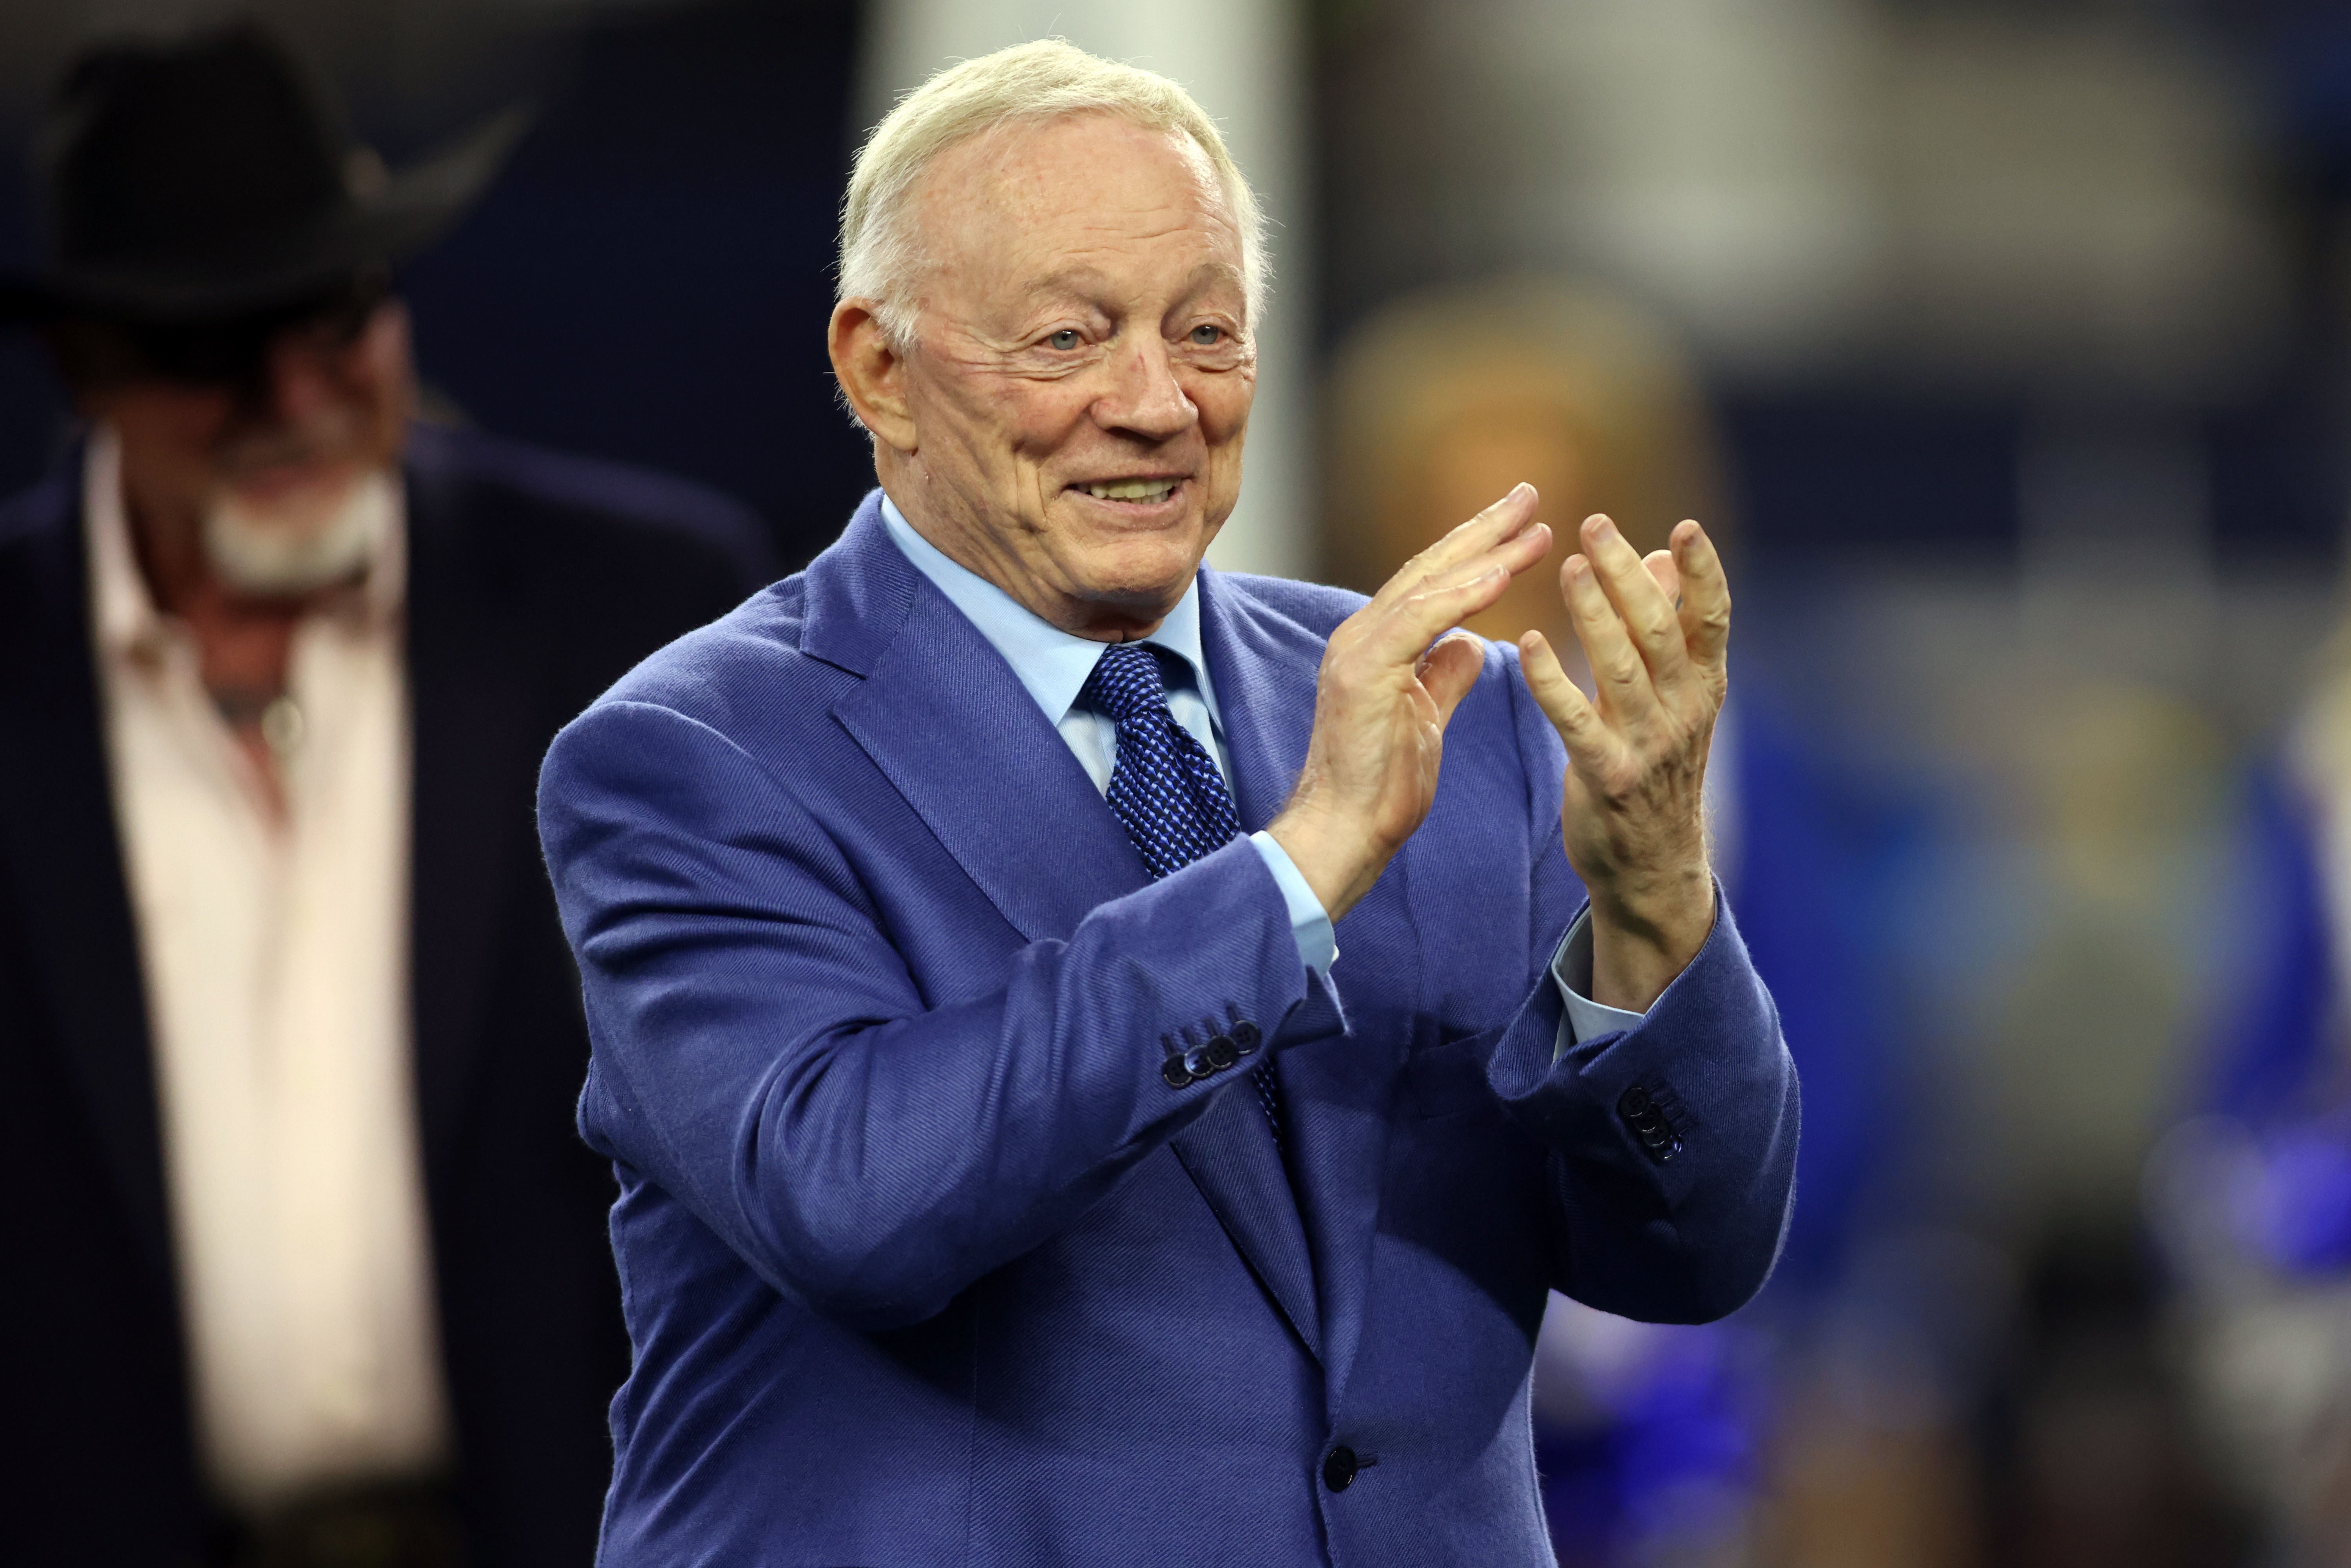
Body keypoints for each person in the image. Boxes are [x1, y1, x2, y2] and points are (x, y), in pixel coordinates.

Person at [536, 41, 1799, 1565]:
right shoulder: (692, 754)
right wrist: (1292, 875)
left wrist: (1657, 912)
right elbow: (855, 1201)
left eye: (1205, 331)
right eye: (1069, 337)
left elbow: (1688, 1257)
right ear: (880, 370)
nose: (1154, 403)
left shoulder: (1460, 717)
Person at [0, 24, 774, 1567]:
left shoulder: (644, 615)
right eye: (215, 346)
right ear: (88, 364)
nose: (294, 393)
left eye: (336, 317)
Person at [1326, 278, 1916, 1566]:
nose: (1503, 583)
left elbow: (1832, 1076)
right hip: (1399, 1363)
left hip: (1698, 1377)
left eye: (1538, 532)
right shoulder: (1322, 751)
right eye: (1454, 523)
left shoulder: (1744, 765)